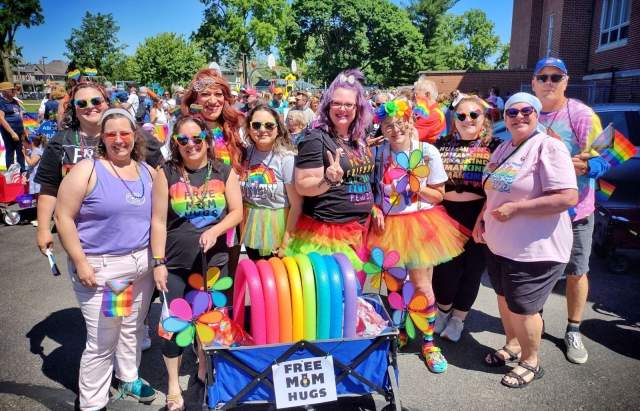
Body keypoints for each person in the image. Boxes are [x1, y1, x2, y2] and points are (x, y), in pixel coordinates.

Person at [55, 108, 158, 410]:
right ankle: (92, 403)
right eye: (111, 133)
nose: (118, 139)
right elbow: (63, 217)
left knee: (132, 328)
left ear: (134, 135)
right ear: (102, 137)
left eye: (124, 133)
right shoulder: (87, 170)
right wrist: (80, 261)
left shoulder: (145, 171)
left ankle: (128, 377)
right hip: (103, 268)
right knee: (102, 341)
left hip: (140, 266)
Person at [473, 92, 578, 388]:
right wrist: (483, 217)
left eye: (526, 111)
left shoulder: (549, 147)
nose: (519, 116)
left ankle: (531, 361)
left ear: (537, 113)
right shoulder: (504, 147)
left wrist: (519, 208)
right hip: (499, 245)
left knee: (524, 307)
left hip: (534, 250)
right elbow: (493, 190)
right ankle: (513, 345)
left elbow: (567, 197)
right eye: (512, 112)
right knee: (505, 299)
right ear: (504, 118)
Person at [368, 98, 469, 373]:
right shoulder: (379, 154)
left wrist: (415, 187)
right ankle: (400, 331)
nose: (395, 130)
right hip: (387, 226)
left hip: (420, 224)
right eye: (388, 125)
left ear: (411, 122)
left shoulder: (427, 152)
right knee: (394, 285)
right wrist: (375, 207)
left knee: (422, 286)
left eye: (400, 123)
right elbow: (372, 191)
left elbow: (439, 195)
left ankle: (427, 342)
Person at [150, 115, 242, 411]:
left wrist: (215, 230)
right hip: (176, 263)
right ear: (175, 143)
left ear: (207, 139)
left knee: (208, 320)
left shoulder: (223, 171)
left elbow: (237, 212)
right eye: (183, 140)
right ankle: (174, 384)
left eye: (197, 139)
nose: (191, 145)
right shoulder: (166, 173)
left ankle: (204, 368)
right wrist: (158, 262)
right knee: (174, 325)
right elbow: (158, 220)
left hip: (212, 264)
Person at [531, 57, 609, 365]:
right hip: (537, 211)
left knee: (577, 271)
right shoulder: (527, 113)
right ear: (534, 81)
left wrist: (589, 164)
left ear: (566, 81)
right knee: (536, 270)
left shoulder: (581, 114)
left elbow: (612, 156)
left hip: (577, 211)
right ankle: (532, 321)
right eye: (543, 77)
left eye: (556, 77)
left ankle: (573, 329)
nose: (549, 82)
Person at [286, 69, 374, 270]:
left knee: (354, 294)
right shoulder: (315, 138)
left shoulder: (357, 138)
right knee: (335, 297)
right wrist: (328, 179)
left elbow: (361, 177)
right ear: (328, 106)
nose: (342, 109)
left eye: (348, 104)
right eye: (337, 103)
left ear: (358, 108)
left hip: (360, 229)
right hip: (328, 234)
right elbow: (303, 185)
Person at [433, 94, 502, 342]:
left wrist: (484, 217)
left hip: (479, 215)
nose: (467, 119)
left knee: (472, 271)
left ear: (484, 119)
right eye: (461, 115)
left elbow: (502, 185)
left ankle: (458, 319)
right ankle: (442, 311)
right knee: (444, 271)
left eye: (474, 114)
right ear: (454, 120)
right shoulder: (441, 145)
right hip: (445, 216)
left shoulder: (496, 147)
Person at [180, 68, 245, 277]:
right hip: (193, 218)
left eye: (218, 94)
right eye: (206, 94)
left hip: (230, 220)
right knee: (194, 278)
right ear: (195, 98)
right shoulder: (183, 130)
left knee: (226, 279)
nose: (213, 100)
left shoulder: (234, 129)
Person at [240, 104, 301, 260]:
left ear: (278, 129)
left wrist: (286, 241)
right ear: (248, 128)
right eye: (256, 125)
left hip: (278, 227)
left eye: (269, 125)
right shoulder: (244, 154)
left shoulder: (286, 158)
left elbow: (296, 204)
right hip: (251, 226)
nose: (262, 130)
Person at [0, 81, 26, 171]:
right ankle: (11, 173)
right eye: (12, 90)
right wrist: (12, 133)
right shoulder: (1, 102)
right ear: (5, 92)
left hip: (19, 130)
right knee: (10, 152)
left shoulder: (15, 101)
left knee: (20, 151)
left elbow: (20, 115)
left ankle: (22, 171)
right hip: (9, 132)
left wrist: (23, 130)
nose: (14, 92)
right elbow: (1, 119)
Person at [413, 76, 446, 144]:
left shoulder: (433, 114)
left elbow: (412, 135)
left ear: (427, 94)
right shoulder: (429, 111)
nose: (414, 97)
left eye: (416, 94)